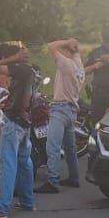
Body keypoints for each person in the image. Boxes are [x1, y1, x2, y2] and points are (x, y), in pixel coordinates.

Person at [0, 41, 37, 218]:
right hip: (26, 121)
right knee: (24, 162)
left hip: (14, 120)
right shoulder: (32, 70)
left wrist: (12, 59)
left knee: (7, 163)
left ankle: (2, 207)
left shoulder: (20, 69)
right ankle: (27, 201)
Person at [38, 37, 85, 193]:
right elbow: (76, 53)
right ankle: (74, 177)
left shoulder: (66, 64)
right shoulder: (79, 65)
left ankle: (52, 181)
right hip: (72, 110)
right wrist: (74, 46)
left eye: (62, 50)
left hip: (60, 109)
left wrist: (66, 41)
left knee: (52, 146)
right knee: (70, 147)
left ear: (66, 51)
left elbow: (51, 45)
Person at [85, 29, 109, 121]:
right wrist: (99, 64)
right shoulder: (96, 52)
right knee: (96, 119)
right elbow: (85, 71)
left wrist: (108, 57)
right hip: (100, 93)